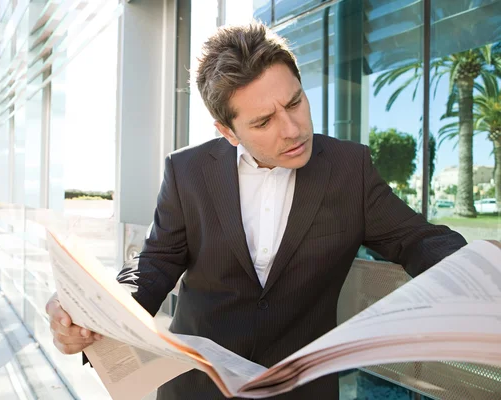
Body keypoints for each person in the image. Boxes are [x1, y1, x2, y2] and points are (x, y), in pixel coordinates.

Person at [46, 22, 466, 399]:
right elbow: (156, 262)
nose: (293, 128)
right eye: (264, 122)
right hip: (196, 389)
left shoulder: (348, 169)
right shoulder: (187, 171)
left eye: (296, 102)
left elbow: (417, 239)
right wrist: (91, 312)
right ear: (228, 132)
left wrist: (483, 267)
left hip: (300, 389)